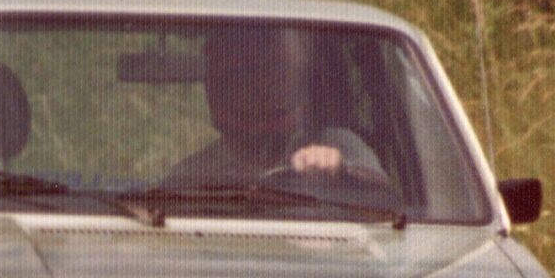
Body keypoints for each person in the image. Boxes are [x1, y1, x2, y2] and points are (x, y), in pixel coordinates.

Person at [160, 26, 395, 198]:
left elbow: (384, 203)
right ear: (215, 90)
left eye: (272, 72)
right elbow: (162, 216)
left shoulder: (339, 144)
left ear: (301, 80)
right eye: (238, 78)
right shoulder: (197, 171)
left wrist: (339, 171)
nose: (257, 87)